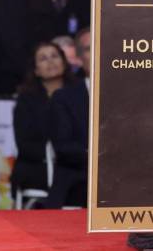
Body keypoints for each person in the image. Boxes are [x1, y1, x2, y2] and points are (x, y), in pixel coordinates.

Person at [12, 42, 75, 197]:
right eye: (43, 58)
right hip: (38, 165)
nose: (51, 61)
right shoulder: (26, 100)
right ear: (36, 70)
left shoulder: (81, 93)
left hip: (75, 164)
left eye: (54, 56)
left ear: (64, 63)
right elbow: (24, 143)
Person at [47, 29, 91, 209]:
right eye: (90, 49)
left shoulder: (132, 95)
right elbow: (64, 147)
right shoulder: (64, 97)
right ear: (79, 59)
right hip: (80, 176)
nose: (99, 53)